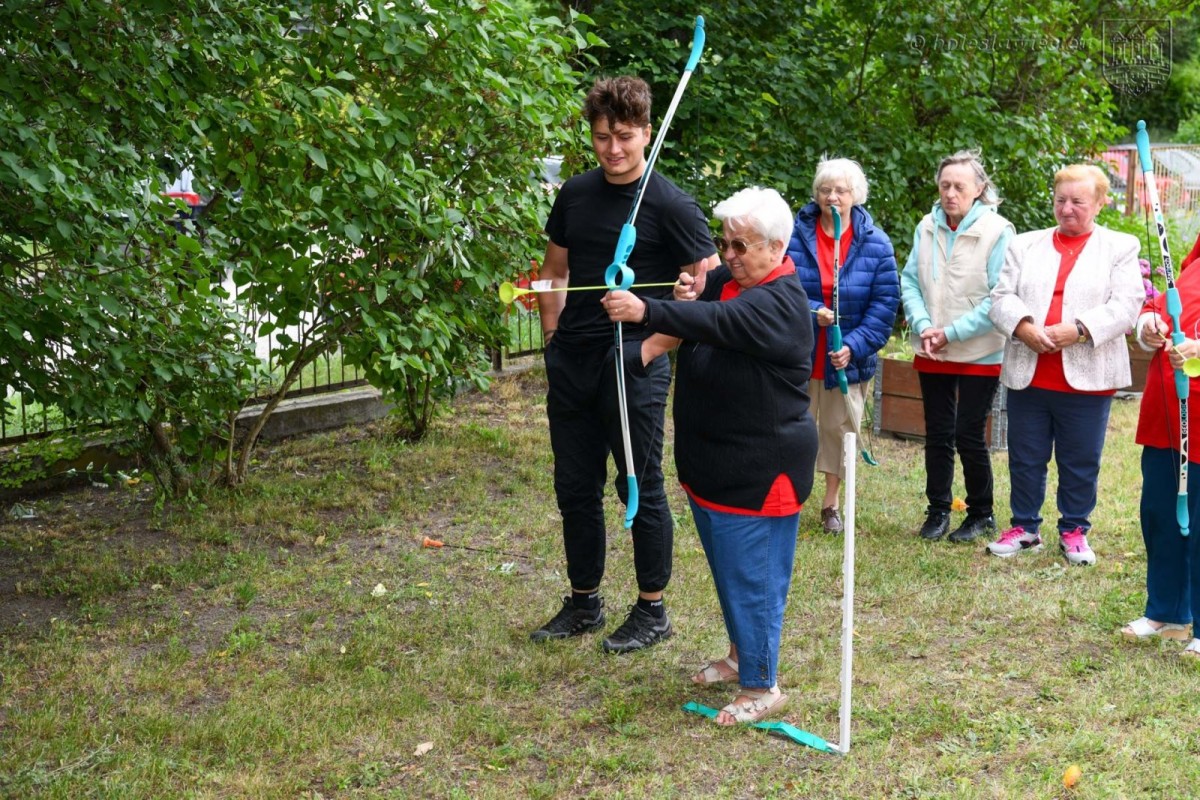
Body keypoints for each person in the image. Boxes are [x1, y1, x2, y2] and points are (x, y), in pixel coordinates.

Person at [602, 186, 817, 724]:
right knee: (728, 571)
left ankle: (762, 684)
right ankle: (743, 654)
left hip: (760, 472)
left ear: (777, 246)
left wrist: (644, 310)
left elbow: (714, 324)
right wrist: (674, 306)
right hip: (715, 465)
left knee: (755, 578)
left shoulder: (777, 303)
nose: (728, 256)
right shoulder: (726, 279)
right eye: (725, 243)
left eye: (742, 246)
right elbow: (696, 311)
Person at [529, 76, 719, 653]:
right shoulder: (576, 195)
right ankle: (584, 600)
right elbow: (555, 272)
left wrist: (653, 345)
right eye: (603, 137)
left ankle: (651, 609)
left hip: (634, 364)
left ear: (646, 134)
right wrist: (552, 338)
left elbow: (707, 289)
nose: (613, 149)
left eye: (625, 137)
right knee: (574, 487)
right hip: (574, 364)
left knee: (640, 485)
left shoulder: (668, 202)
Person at [986, 164, 1143, 566]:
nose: (1067, 209)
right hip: (1030, 370)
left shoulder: (1120, 247)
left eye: (1078, 201)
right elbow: (1001, 296)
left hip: (1088, 375)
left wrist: (1080, 329)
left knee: (1080, 459)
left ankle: (1074, 531)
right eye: (1061, 200)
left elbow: (1127, 305)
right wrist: (1022, 327)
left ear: (1100, 203)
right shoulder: (1025, 245)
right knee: (1025, 456)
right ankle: (1024, 528)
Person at [899, 151, 1015, 543]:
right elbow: (911, 281)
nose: (950, 193)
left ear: (979, 189)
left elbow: (999, 295)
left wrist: (952, 332)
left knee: (969, 433)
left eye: (959, 186)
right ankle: (938, 510)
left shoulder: (999, 230)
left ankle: (982, 513)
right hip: (933, 346)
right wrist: (925, 326)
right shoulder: (925, 227)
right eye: (945, 185)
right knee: (937, 433)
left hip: (980, 349)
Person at [787, 157, 899, 533]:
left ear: (856, 195)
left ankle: (831, 504)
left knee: (838, 429)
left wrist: (853, 345)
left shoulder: (877, 244)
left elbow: (884, 307)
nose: (832, 196)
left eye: (841, 190)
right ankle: (787, 498)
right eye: (825, 189)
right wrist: (811, 311)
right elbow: (778, 289)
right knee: (793, 425)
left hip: (844, 358)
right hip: (799, 352)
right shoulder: (792, 234)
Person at [1122, 271, 1200, 655]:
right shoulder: (1192, 269)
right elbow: (1155, 310)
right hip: (1167, 421)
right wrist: (1147, 326)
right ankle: (1168, 611)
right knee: (1161, 515)